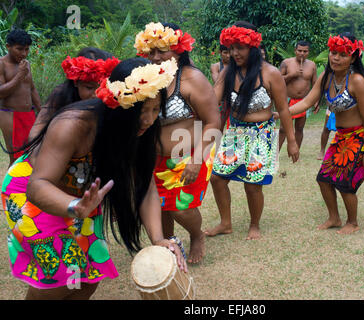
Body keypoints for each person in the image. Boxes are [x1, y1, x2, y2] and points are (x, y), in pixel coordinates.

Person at [1, 57, 187, 299]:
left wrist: (159, 239)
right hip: (32, 193)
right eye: (141, 111)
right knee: (59, 278)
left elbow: (146, 186)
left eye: (155, 109)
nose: (149, 119)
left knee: (87, 280)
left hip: (82, 199)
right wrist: (73, 206)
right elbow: (37, 187)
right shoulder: (75, 124)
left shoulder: (140, 129)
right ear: (119, 104)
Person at [204, 21, 299, 240]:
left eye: (240, 47)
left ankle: (254, 225)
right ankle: (225, 223)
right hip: (235, 132)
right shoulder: (228, 72)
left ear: (253, 47)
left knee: (252, 185)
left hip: (262, 133)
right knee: (217, 178)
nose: (234, 53)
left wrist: (292, 141)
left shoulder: (271, 73)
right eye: (231, 48)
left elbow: (283, 110)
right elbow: (211, 100)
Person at [135, 22, 221, 264]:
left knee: (179, 207)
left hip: (191, 153)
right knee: (160, 205)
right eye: (150, 51)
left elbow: (213, 122)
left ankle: (196, 235)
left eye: (162, 50)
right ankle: (170, 244)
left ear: (178, 49)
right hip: (153, 158)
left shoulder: (192, 78)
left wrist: (197, 159)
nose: (155, 57)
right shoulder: (144, 80)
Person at [288, 33, 364, 234]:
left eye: (343, 55)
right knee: (324, 179)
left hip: (360, 137)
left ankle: (352, 222)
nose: (336, 58)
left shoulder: (358, 81)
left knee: (345, 183)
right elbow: (306, 102)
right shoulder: (326, 77)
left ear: (353, 57)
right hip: (341, 137)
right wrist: (282, 113)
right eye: (333, 53)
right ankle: (334, 218)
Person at [28, 47, 119, 140]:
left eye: (103, 87)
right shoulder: (60, 94)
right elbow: (35, 132)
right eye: (89, 87)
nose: (96, 94)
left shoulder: (115, 98)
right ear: (76, 82)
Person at [0, 29, 41, 166]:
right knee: (16, 158)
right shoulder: (2, 64)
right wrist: (19, 75)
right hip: (9, 115)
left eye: (27, 49)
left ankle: (25, 186)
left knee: (33, 155)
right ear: (8, 47)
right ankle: (10, 188)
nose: (23, 53)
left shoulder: (26, 63)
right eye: (19, 49)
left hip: (29, 114)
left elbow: (32, 88)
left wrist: (42, 112)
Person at [278, 40, 318, 152]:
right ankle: (275, 154)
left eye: (305, 51)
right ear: (295, 51)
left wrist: (315, 101)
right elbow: (278, 81)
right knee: (283, 129)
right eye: (299, 50)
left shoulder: (312, 65)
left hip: (304, 101)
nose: (302, 53)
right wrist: (292, 75)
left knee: (299, 128)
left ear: (308, 52)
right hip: (288, 100)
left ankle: (296, 152)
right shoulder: (286, 63)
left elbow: (315, 84)